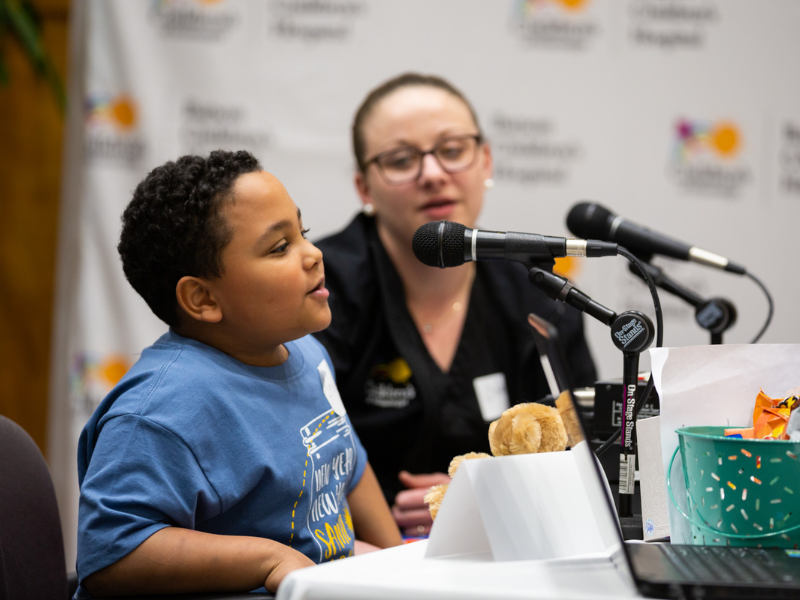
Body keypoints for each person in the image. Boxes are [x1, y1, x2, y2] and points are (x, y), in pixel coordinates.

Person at [75, 150, 401, 598]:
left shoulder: (309, 354)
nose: (313, 254)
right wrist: (269, 559)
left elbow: (349, 466)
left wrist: (400, 564)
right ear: (203, 300)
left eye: (302, 232)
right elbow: (112, 552)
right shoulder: (161, 409)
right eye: (280, 247)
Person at [312, 73, 597, 537]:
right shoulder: (322, 286)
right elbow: (295, 455)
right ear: (364, 188)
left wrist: (478, 500)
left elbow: (586, 447)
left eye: (452, 150)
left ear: (485, 160)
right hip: (357, 552)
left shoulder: (537, 288)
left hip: (509, 547)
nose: (432, 174)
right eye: (401, 159)